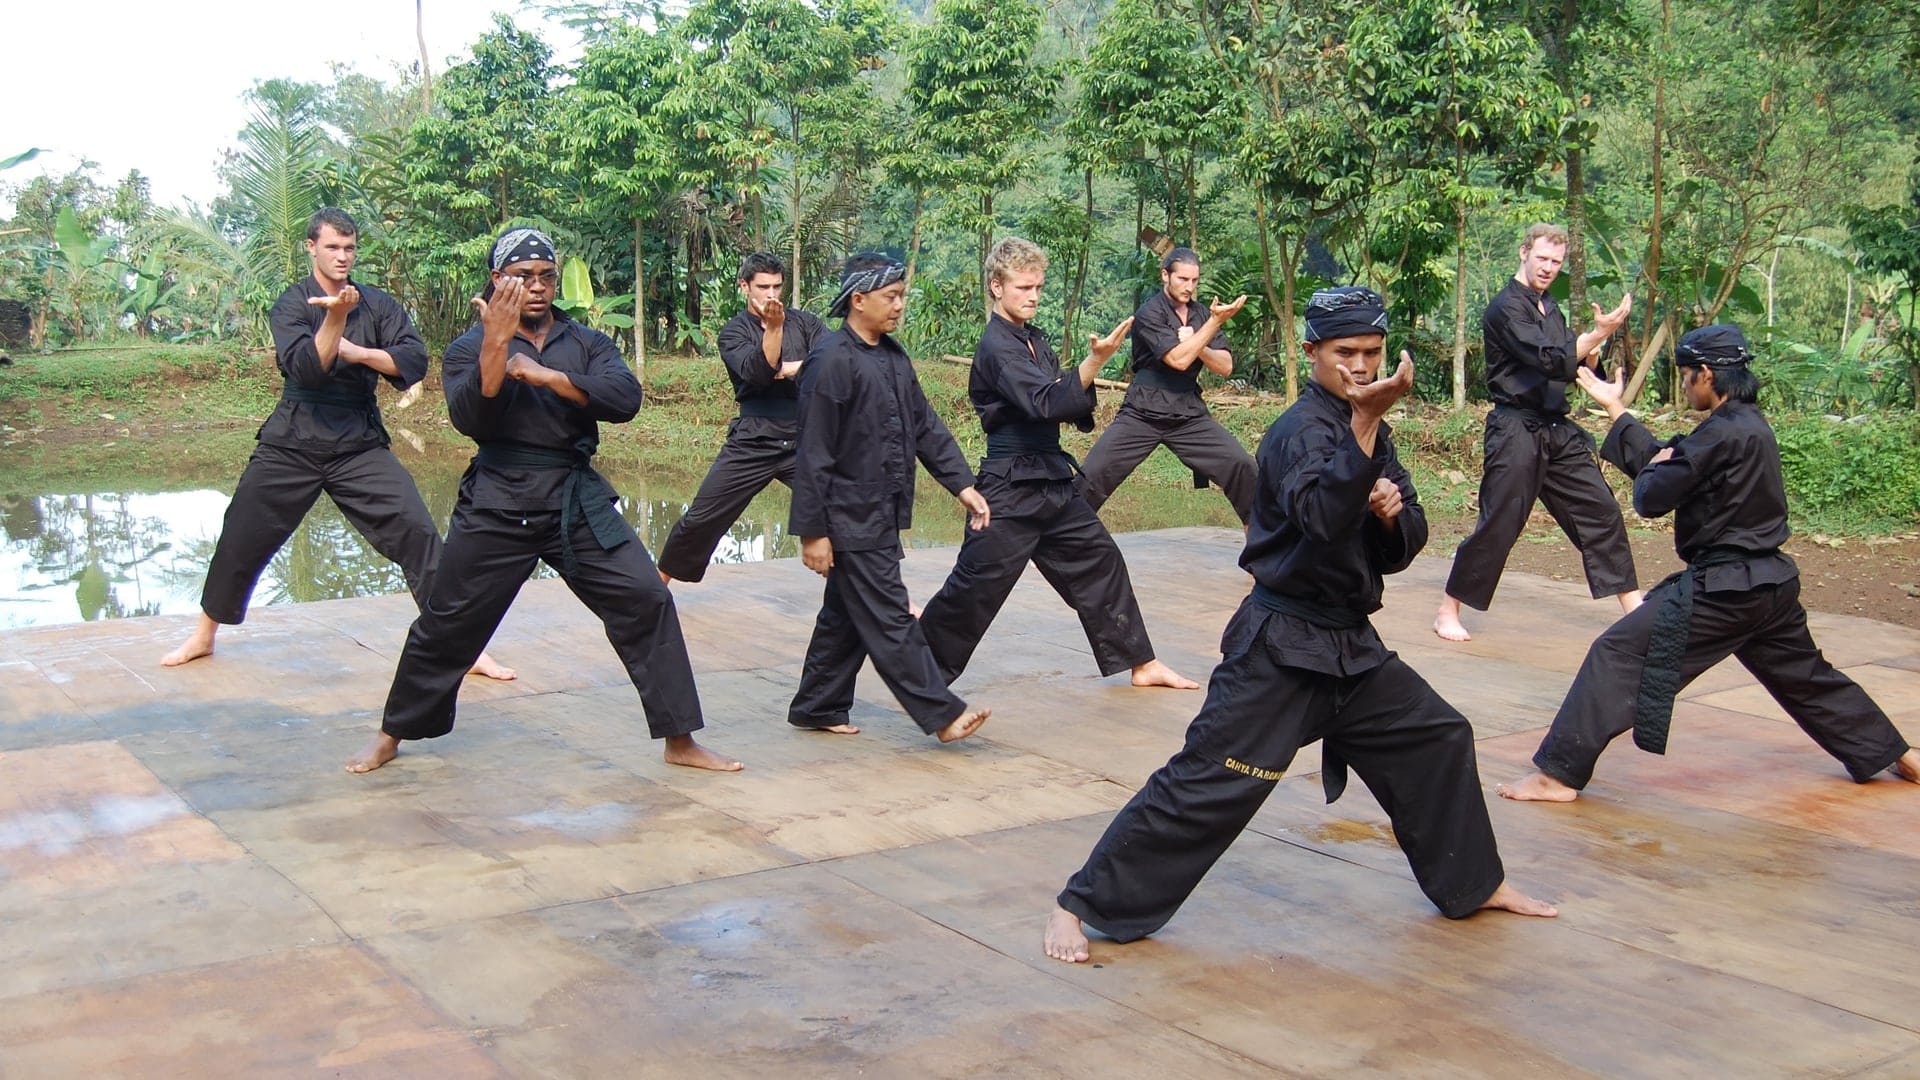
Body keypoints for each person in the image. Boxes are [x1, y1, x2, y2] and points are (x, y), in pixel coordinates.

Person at [1043, 287, 1557, 965]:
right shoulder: (1297, 432)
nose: (1361, 367)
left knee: (1437, 737)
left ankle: (1475, 883)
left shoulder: (1370, 424)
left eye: (1372, 354)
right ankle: (1079, 905)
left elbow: (1406, 541)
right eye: (1346, 353)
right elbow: (1318, 520)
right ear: (1311, 351)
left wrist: (1390, 511)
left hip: (1351, 649)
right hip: (1280, 649)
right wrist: (1365, 443)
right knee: (1210, 780)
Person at [348, 227, 738, 774]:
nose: (536, 286)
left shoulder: (585, 343)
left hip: (574, 499)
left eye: (545, 276)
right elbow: (470, 419)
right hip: (497, 498)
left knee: (646, 599)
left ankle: (681, 741)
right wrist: (495, 344)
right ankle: (392, 735)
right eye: (522, 276)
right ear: (497, 280)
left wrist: (550, 377)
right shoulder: (468, 347)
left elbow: (625, 400)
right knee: (446, 619)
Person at [1498, 325, 1919, 802]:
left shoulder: (1718, 435)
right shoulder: (1749, 425)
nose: (1684, 386)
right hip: (1771, 588)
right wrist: (1617, 409)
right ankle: (1895, 753)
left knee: (1617, 654)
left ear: (1705, 374)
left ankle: (1557, 775)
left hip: (1725, 590)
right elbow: (1670, 464)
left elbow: (1654, 494)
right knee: (1809, 679)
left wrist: (1662, 458)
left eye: (1685, 377)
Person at [161, 208, 511, 680]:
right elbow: (306, 367)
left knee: (419, 533)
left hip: (357, 442)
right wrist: (335, 322)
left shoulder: (380, 305)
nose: (342, 256)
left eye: (349, 248)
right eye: (332, 247)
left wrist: (355, 349)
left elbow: (412, 361)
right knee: (243, 530)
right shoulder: (290, 304)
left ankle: (463, 646)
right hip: (292, 439)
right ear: (311, 247)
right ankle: (204, 634)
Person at [916, 237, 1198, 692]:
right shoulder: (997, 347)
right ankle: (917, 676)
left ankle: (1141, 663)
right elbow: (1045, 402)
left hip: (1051, 482)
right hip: (1009, 488)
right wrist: (1095, 361)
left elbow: (1067, 400)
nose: (1033, 296)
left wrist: (1083, 372)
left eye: (1038, 288)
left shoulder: (1034, 340)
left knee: (1100, 561)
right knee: (974, 589)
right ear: (996, 287)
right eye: (1024, 287)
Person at [785, 253, 993, 743]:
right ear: (858, 300)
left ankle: (818, 704)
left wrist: (962, 485)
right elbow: (813, 453)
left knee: (844, 616)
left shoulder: (893, 357)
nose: (900, 305)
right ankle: (940, 712)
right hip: (848, 517)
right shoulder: (831, 361)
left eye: (902, 295)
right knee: (889, 614)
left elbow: (924, 426)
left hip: (879, 511)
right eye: (891, 296)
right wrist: (813, 532)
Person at [1433, 223, 1639, 643]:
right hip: (1515, 429)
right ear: (1524, 253)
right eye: (1542, 258)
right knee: (1500, 524)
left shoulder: (1551, 308)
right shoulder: (1505, 308)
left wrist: (1596, 357)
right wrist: (1595, 334)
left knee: (1600, 510)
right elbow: (1547, 358)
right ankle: (1448, 609)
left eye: (1556, 262)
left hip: (1556, 430)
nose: (1548, 268)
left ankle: (1633, 609)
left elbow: (1572, 362)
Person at [656, 252, 827, 584]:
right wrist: (775, 332)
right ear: (744, 286)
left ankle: (877, 594)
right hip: (753, 438)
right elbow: (760, 374)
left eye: (777, 286)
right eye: (763, 287)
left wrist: (792, 367)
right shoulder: (733, 333)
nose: (772, 295)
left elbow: (835, 363)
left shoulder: (806, 323)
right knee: (702, 519)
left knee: (853, 504)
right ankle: (651, 593)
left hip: (806, 436)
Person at [1078, 247, 1255, 523]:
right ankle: (1060, 541)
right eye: (1183, 279)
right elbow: (1178, 359)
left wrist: (1200, 338)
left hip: (1188, 414)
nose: (1189, 287)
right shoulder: (1150, 313)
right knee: (1091, 476)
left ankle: (1263, 557)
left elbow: (1225, 366)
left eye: (1195, 281)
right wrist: (1214, 323)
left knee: (1244, 468)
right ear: (1165, 275)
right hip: (1143, 411)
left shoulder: (1200, 316)